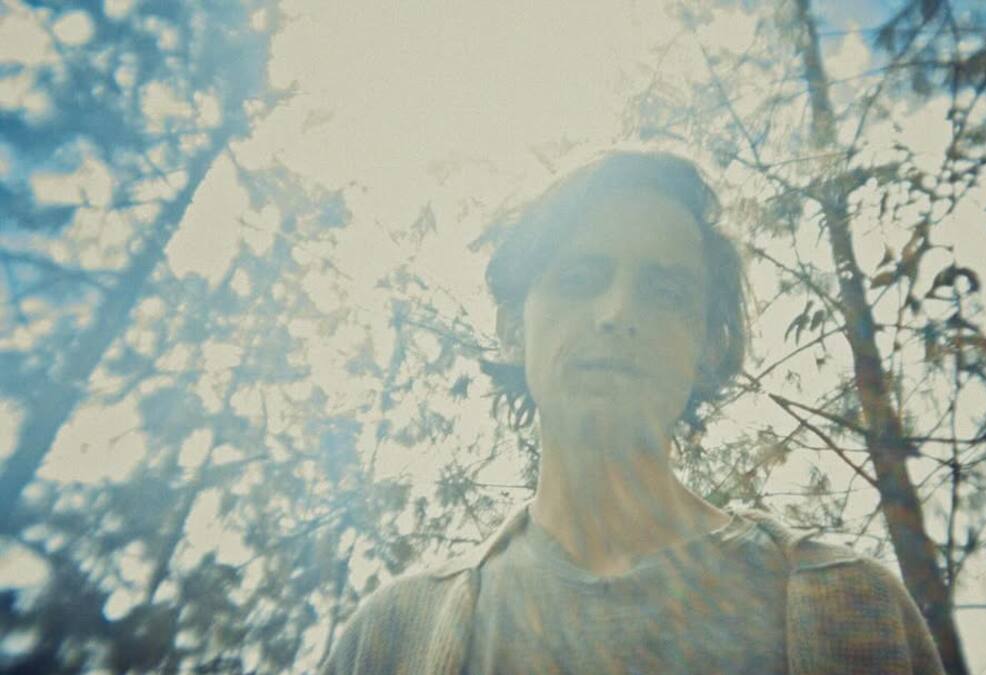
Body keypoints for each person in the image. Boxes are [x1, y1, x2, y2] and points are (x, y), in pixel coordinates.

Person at [321, 152, 946, 674]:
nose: (617, 312)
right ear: (513, 329)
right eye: (579, 279)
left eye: (665, 292)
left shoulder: (856, 608)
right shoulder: (390, 639)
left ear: (707, 347)